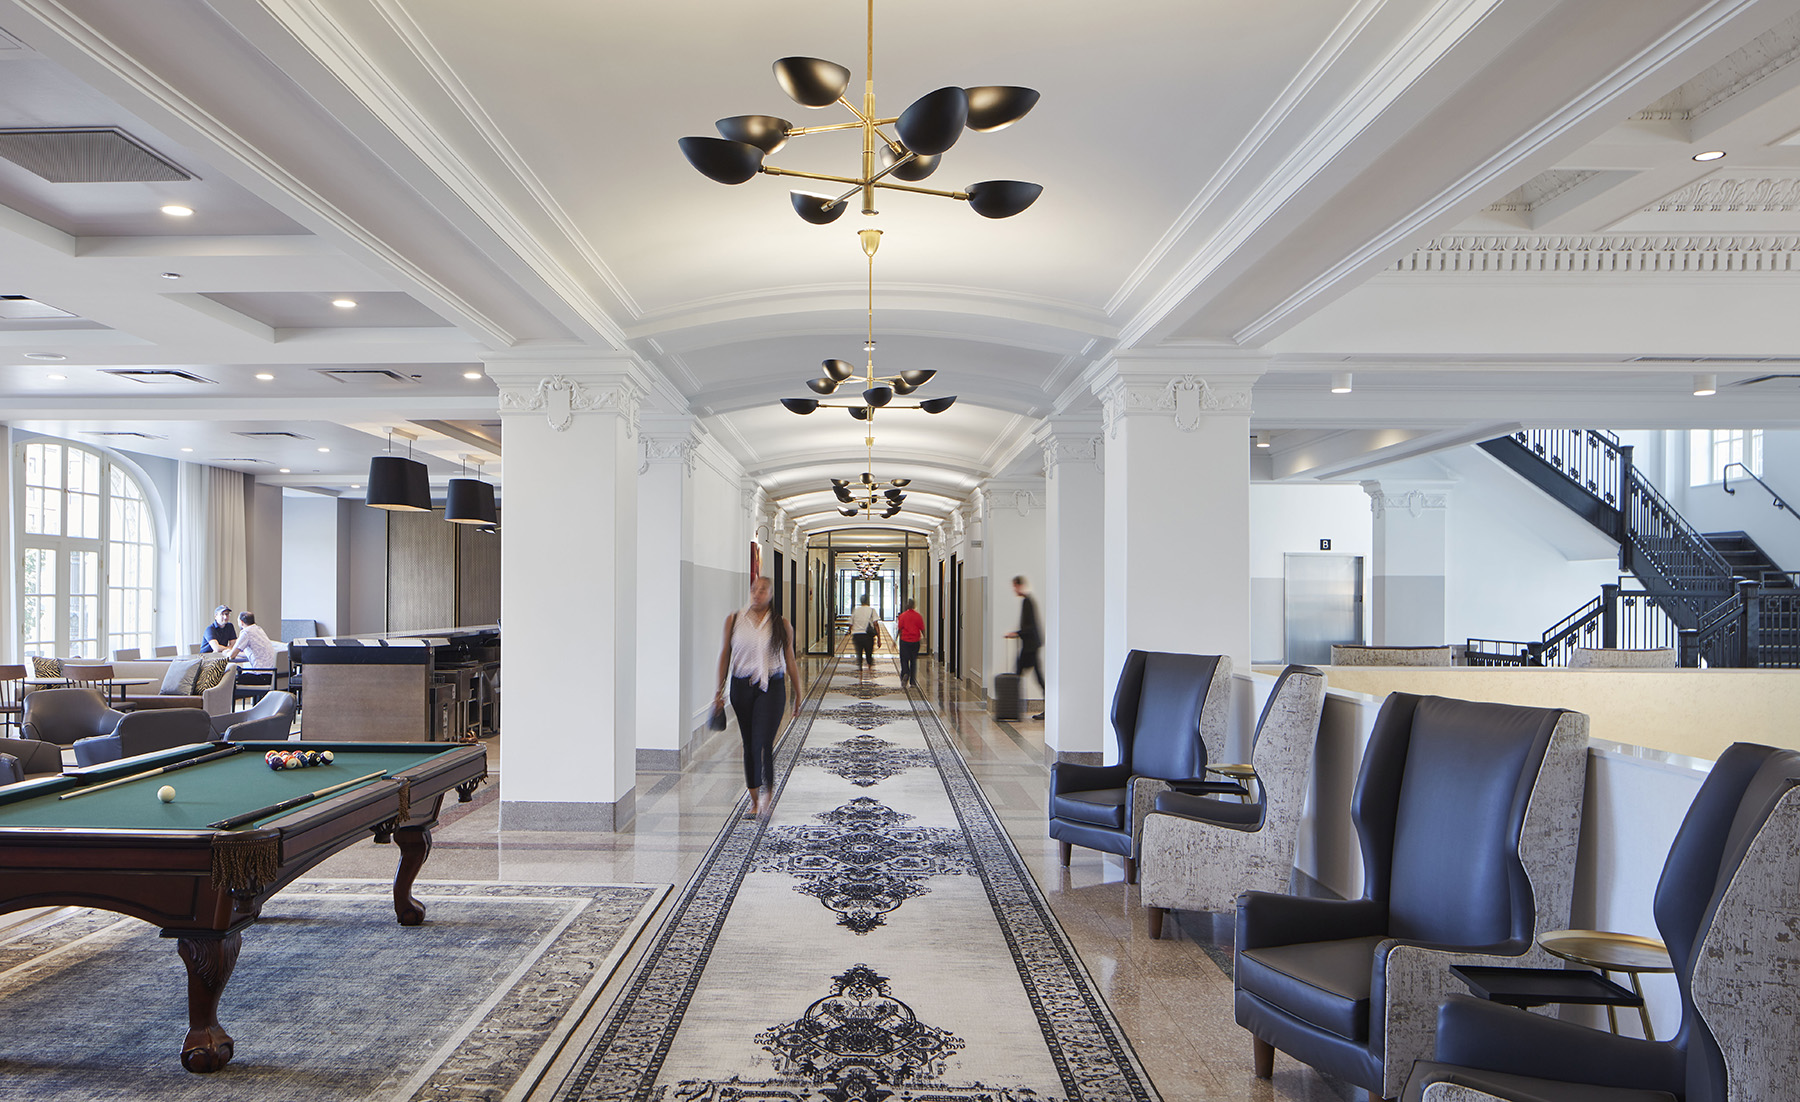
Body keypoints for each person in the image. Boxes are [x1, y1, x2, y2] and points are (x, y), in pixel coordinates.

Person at [714, 576, 802, 819]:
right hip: (741, 688)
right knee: (749, 744)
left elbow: (790, 660)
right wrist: (718, 691)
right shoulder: (734, 621)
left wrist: (798, 694)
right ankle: (754, 799)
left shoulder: (781, 624)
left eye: (763, 590)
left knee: (763, 742)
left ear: (771, 594)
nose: (757, 594)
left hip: (772, 688)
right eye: (754, 589)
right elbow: (725, 655)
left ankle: (767, 795)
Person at [1004, 575, 1045, 721]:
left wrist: (1016, 633)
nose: (1014, 589)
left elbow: (1030, 627)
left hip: (1030, 646)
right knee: (1033, 676)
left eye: (1015, 586)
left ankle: (1012, 709)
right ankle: (1013, 708)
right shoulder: (1027, 601)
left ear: (1019, 586)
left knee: (1019, 675)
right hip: (1030, 645)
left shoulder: (1028, 602)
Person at [224, 611, 277, 678]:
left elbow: (232, 655)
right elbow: (254, 652)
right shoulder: (259, 629)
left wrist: (226, 653)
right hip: (272, 674)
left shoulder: (246, 632)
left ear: (241, 622)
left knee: (232, 679)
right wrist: (237, 653)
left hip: (262, 675)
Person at [895, 599, 924, 687]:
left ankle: (905, 673)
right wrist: (925, 638)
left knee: (904, 659)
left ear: (907, 605)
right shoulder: (918, 616)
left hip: (905, 640)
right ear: (914, 606)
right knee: (913, 660)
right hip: (915, 641)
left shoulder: (902, 616)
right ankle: (913, 681)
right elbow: (922, 628)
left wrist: (895, 639)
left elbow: (900, 628)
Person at [848, 594, 879, 670]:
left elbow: (851, 623)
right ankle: (869, 670)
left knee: (859, 653)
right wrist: (879, 639)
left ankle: (860, 671)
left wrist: (849, 631)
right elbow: (876, 624)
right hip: (868, 636)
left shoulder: (856, 610)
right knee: (869, 654)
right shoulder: (872, 610)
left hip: (857, 635)